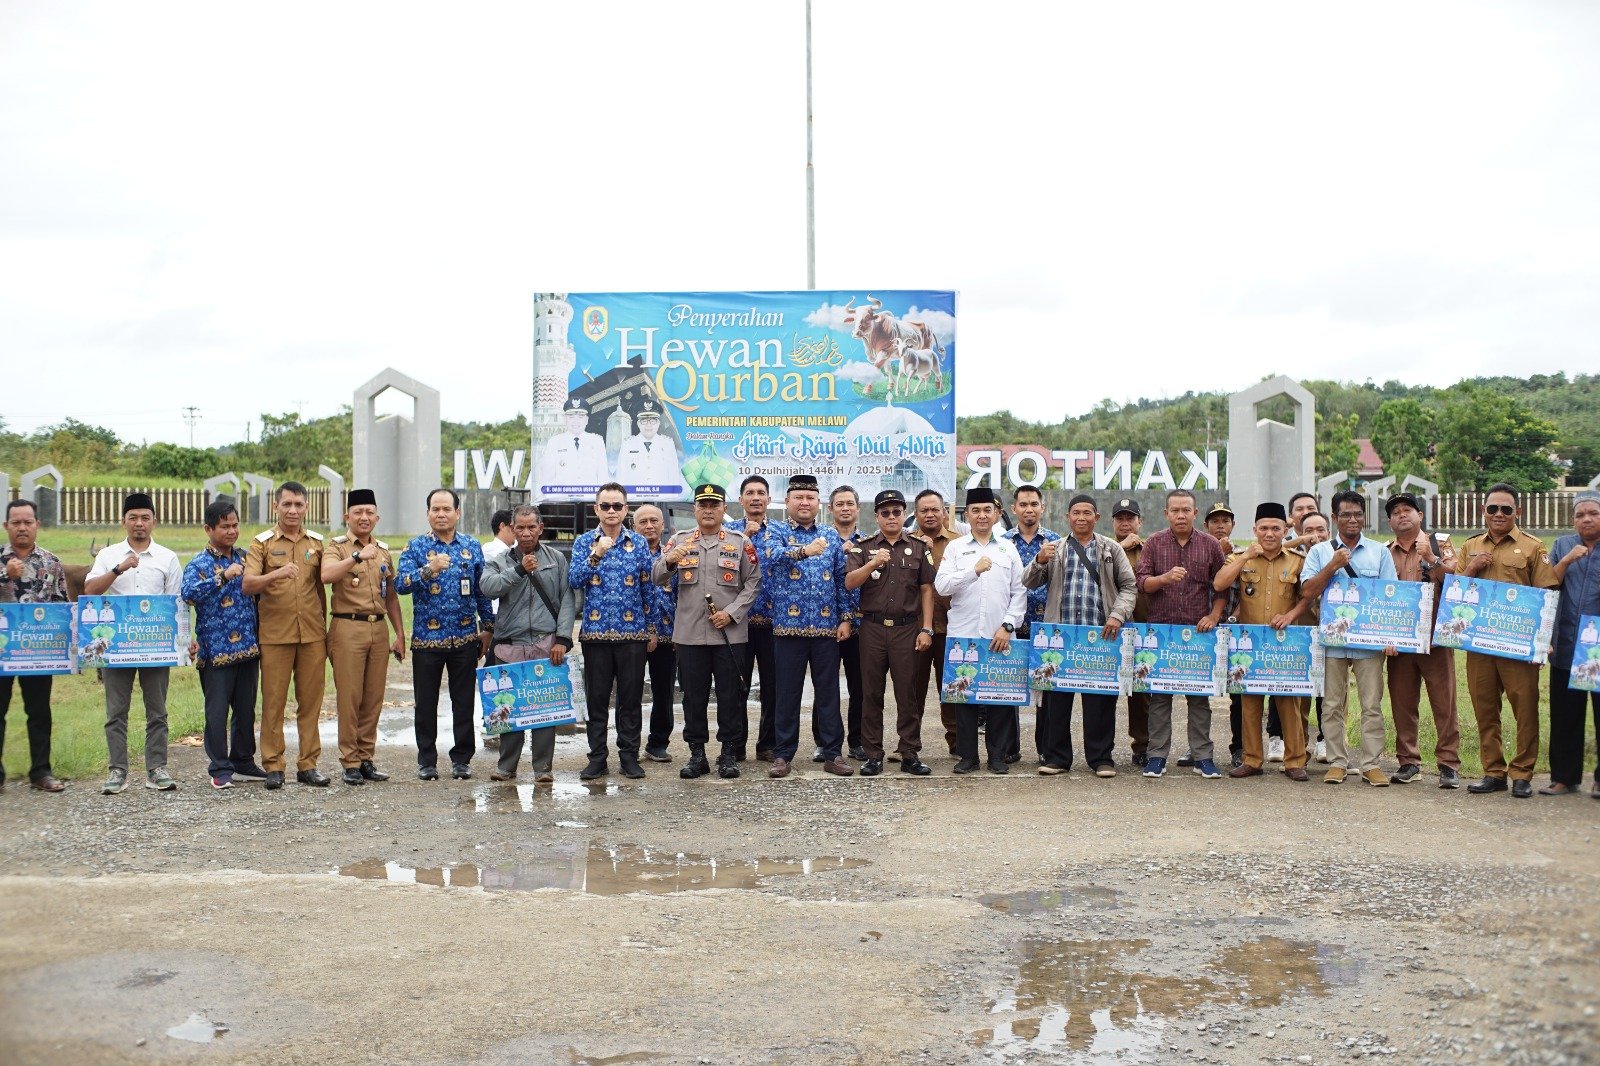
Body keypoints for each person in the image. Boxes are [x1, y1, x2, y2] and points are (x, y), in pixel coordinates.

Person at [1456, 484, 1558, 799]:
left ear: (1518, 512)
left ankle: (1522, 773)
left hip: (1519, 647)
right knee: (1485, 708)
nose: (1499, 514)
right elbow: (1455, 592)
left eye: (1506, 509)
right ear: (1483, 512)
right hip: (1480, 644)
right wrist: (1473, 567)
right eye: (1493, 509)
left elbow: (1547, 595)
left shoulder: (1532, 548)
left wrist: (1543, 642)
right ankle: (1494, 772)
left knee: (1525, 709)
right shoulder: (1470, 546)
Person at [1023, 493, 1136, 777]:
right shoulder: (1055, 549)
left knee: (1099, 700)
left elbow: (1129, 586)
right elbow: (1028, 581)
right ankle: (1057, 757)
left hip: (1099, 637)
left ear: (1097, 518)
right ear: (1067, 517)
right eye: (1076, 513)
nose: (1082, 518)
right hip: (1060, 638)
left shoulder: (1111, 549)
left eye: (1088, 513)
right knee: (1056, 701)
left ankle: (1101, 758)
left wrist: (1117, 615)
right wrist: (1038, 560)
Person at [655, 484, 761, 779]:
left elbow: (753, 583)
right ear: (695, 509)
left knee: (729, 696)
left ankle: (728, 754)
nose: (709, 510)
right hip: (689, 635)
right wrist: (671, 559)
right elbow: (656, 576)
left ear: (724, 508)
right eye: (703, 505)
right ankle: (697, 754)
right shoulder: (679, 540)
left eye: (715, 504)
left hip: (729, 635)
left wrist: (732, 613)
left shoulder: (741, 543)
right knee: (693, 696)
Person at [84, 492, 184, 794]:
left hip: (155, 645)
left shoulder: (167, 558)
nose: (139, 523)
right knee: (116, 711)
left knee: (157, 710)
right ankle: (117, 771)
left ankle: (156, 769)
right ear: (123, 521)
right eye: (133, 518)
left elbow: (176, 605)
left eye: (145, 517)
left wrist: (182, 644)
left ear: (154, 521)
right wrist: (118, 569)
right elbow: (90, 591)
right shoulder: (108, 555)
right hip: (115, 647)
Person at [1300, 489, 1399, 787]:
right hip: (1332, 641)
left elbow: (1389, 596)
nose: (1353, 519)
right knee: (1331, 704)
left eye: (1358, 514)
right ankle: (1338, 762)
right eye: (1346, 514)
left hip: (1369, 642)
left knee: (1371, 704)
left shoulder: (1379, 552)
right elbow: (1307, 592)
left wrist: (1390, 637)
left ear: (1364, 516)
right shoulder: (1319, 552)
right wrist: (1332, 565)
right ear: (1334, 518)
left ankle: (1371, 764)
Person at [397, 488, 495, 781]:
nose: (441, 514)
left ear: (457, 513)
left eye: (446, 509)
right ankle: (427, 761)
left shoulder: (471, 546)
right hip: (427, 640)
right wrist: (429, 569)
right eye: (435, 510)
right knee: (425, 703)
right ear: (427, 514)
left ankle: (462, 759)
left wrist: (487, 627)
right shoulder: (414, 547)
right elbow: (400, 584)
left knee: (463, 701)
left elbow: (482, 590)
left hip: (465, 638)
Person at [761, 474, 854, 779]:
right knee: (786, 694)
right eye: (798, 497)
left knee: (828, 694)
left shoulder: (829, 535)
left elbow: (842, 581)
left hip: (827, 630)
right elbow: (771, 557)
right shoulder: (774, 530)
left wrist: (845, 618)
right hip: (788, 629)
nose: (804, 503)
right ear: (787, 502)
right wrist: (804, 551)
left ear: (818, 503)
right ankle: (783, 755)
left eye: (810, 498)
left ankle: (832, 753)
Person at [1132, 488, 1227, 779]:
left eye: (1186, 510)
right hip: (1162, 633)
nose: (1181, 515)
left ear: (1195, 513)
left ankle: (1203, 756)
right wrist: (1164, 578)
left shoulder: (1211, 545)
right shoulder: (1154, 544)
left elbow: (1222, 587)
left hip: (1199, 634)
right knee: (1159, 698)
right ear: (1166, 514)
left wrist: (1213, 615)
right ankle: (1157, 756)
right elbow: (1142, 583)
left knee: (1199, 698)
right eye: (1175, 510)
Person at [1213, 502, 1312, 781]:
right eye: (1264, 528)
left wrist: (1291, 615)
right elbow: (1219, 584)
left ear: (1285, 530)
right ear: (1255, 530)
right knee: (1250, 703)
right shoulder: (1241, 557)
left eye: (1276, 528)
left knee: (1288, 702)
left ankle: (1295, 761)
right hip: (1249, 643)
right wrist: (1245, 558)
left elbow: (1307, 597)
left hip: (1283, 642)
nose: (1270, 534)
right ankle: (1252, 759)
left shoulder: (1297, 560)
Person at [243, 481, 329, 789]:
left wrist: (325, 628)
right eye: (287, 504)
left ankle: (308, 764)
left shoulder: (317, 543)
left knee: (310, 702)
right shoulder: (261, 543)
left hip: (312, 635)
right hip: (275, 635)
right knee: (274, 702)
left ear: (306, 508)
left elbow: (321, 590)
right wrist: (276, 574)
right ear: (275, 507)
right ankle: (273, 765)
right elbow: (248, 584)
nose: (292, 510)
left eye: (298, 505)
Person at [935, 487, 1027, 774]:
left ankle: (997, 756)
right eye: (975, 510)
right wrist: (972, 571)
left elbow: (1019, 592)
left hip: (998, 635)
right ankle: (968, 757)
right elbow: (942, 586)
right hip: (964, 635)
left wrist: (1009, 625)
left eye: (987, 510)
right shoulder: (956, 548)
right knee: (964, 697)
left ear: (997, 513)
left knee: (998, 697)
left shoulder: (1007, 548)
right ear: (967, 515)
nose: (982, 515)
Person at [568, 482, 656, 781]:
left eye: (617, 506)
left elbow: (648, 588)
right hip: (596, 634)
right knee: (597, 700)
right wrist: (596, 554)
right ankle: (597, 758)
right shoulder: (584, 542)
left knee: (630, 700)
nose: (611, 511)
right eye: (605, 506)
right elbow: (575, 580)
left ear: (625, 509)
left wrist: (652, 628)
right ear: (596, 509)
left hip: (633, 634)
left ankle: (629, 757)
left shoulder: (639, 543)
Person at [481, 505, 574, 784]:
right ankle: (506, 767)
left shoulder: (556, 559)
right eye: (519, 527)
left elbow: (568, 599)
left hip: (545, 644)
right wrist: (519, 570)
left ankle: (543, 768)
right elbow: (488, 587)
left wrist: (563, 639)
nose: (525, 533)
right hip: (509, 646)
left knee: (544, 710)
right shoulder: (499, 560)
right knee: (507, 708)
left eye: (531, 527)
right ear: (511, 528)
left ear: (541, 528)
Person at [845, 489, 936, 777]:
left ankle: (909, 753)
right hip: (871, 628)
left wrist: (927, 628)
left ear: (904, 514)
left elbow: (926, 590)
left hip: (906, 629)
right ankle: (873, 755)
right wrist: (873, 563)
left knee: (907, 693)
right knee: (871, 694)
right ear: (877, 516)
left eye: (897, 512)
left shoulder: (919, 547)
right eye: (885, 512)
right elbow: (849, 583)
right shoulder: (862, 547)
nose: (892, 517)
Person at [321, 488, 405, 786]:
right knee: (350, 696)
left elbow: (391, 595)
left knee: (373, 697)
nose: (364, 517)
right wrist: (357, 555)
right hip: (347, 627)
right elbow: (327, 575)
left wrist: (399, 634)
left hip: (378, 627)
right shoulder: (338, 547)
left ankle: (367, 757)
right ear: (348, 516)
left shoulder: (382, 550)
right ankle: (350, 761)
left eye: (370, 512)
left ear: (377, 517)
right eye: (358, 512)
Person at [182, 499, 265, 790]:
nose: (231, 531)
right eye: (224, 526)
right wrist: (221, 576)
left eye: (235, 525)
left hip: (248, 648)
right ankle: (219, 768)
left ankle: (243, 760)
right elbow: (188, 594)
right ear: (208, 528)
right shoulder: (199, 563)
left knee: (246, 710)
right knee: (217, 713)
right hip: (215, 652)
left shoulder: (245, 557)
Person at [1383, 493, 1461, 788]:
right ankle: (1408, 761)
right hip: (1399, 642)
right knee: (1403, 703)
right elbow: (1378, 599)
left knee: (1445, 703)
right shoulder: (1384, 552)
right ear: (1390, 521)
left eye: (1408, 510)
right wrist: (1385, 636)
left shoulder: (1442, 544)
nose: (1402, 515)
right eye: (1396, 512)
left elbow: (1458, 580)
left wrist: (1431, 557)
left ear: (1420, 515)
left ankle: (1449, 764)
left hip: (1435, 639)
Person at [0, 498, 69, 792]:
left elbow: (62, 605)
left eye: (28, 522)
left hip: (38, 653)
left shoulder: (51, 562)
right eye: (16, 523)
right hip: (2, 652)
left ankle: (41, 772)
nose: (22, 528)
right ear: (6, 526)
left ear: (37, 525)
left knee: (39, 711)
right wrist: (6, 576)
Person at [1003, 484, 1061, 765]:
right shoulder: (1002, 542)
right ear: (1014, 509)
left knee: (1046, 691)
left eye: (1034, 504)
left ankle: (1046, 749)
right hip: (1011, 625)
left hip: (1045, 624)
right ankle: (1008, 748)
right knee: (1007, 688)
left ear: (1042, 508)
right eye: (1023, 504)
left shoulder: (1056, 542)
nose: (1029, 509)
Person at [1547, 491, 1600, 797]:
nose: (1586, 519)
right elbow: (1550, 583)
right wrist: (1568, 559)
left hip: (1596, 649)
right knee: (1566, 714)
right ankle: (1564, 777)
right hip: (1567, 644)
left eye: (1592, 513)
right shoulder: (1563, 545)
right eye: (1580, 515)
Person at [910, 489, 961, 758]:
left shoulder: (959, 543)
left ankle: (957, 742)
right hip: (915, 630)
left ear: (944, 512)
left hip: (952, 628)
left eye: (935, 510)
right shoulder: (905, 543)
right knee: (911, 691)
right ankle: (908, 744)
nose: (930, 515)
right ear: (916, 514)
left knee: (951, 689)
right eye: (924, 510)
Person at [732, 476, 778, 760]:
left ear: (769, 500)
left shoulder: (782, 533)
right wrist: (746, 538)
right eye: (750, 493)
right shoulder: (729, 533)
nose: (756, 498)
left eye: (761, 493)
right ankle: (736, 745)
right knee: (737, 685)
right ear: (741, 500)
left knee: (774, 687)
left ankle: (768, 745)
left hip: (774, 623)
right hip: (739, 622)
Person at [633, 503, 678, 762]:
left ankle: (658, 743)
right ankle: (629, 744)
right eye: (643, 522)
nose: (649, 526)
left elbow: (684, 594)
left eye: (654, 521)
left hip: (668, 635)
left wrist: (680, 633)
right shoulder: (629, 554)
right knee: (631, 693)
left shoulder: (674, 554)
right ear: (634, 526)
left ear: (663, 526)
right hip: (635, 635)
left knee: (664, 692)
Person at [1111, 499, 1151, 767]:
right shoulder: (1104, 548)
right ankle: (1102, 748)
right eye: (1120, 518)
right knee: (1103, 694)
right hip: (1111, 629)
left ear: (1140, 522)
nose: (1125, 523)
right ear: (1112, 522)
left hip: (1142, 628)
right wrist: (1121, 548)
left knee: (1141, 694)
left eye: (1130, 518)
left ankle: (1143, 745)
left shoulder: (1151, 549)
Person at [828, 485, 867, 761]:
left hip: (862, 627)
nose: (845, 508)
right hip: (826, 626)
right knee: (826, 686)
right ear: (830, 509)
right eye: (839, 504)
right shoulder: (820, 540)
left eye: (849, 503)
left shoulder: (868, 543)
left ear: (858, 508)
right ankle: (825, 743)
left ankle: (858, 741)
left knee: (860, 687)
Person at [537, 397, 611, 492]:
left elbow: (603, 477)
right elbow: (547, 477)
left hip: (591, 500)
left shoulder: (597, 441)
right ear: (565, 419)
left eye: (580, 417)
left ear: (587, 420)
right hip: (563, 501)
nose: (576, 421)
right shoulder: (554, 442)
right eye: (571, 417)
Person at [616, 403, 686, 494]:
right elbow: (621, 476)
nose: (648, 425)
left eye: (652, 421)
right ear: (638, 424)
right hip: (634, 499)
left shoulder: (667, 444)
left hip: (662, 499)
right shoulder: (628, 444)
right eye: (644, 421)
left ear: (658, 423)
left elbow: (674, 476)